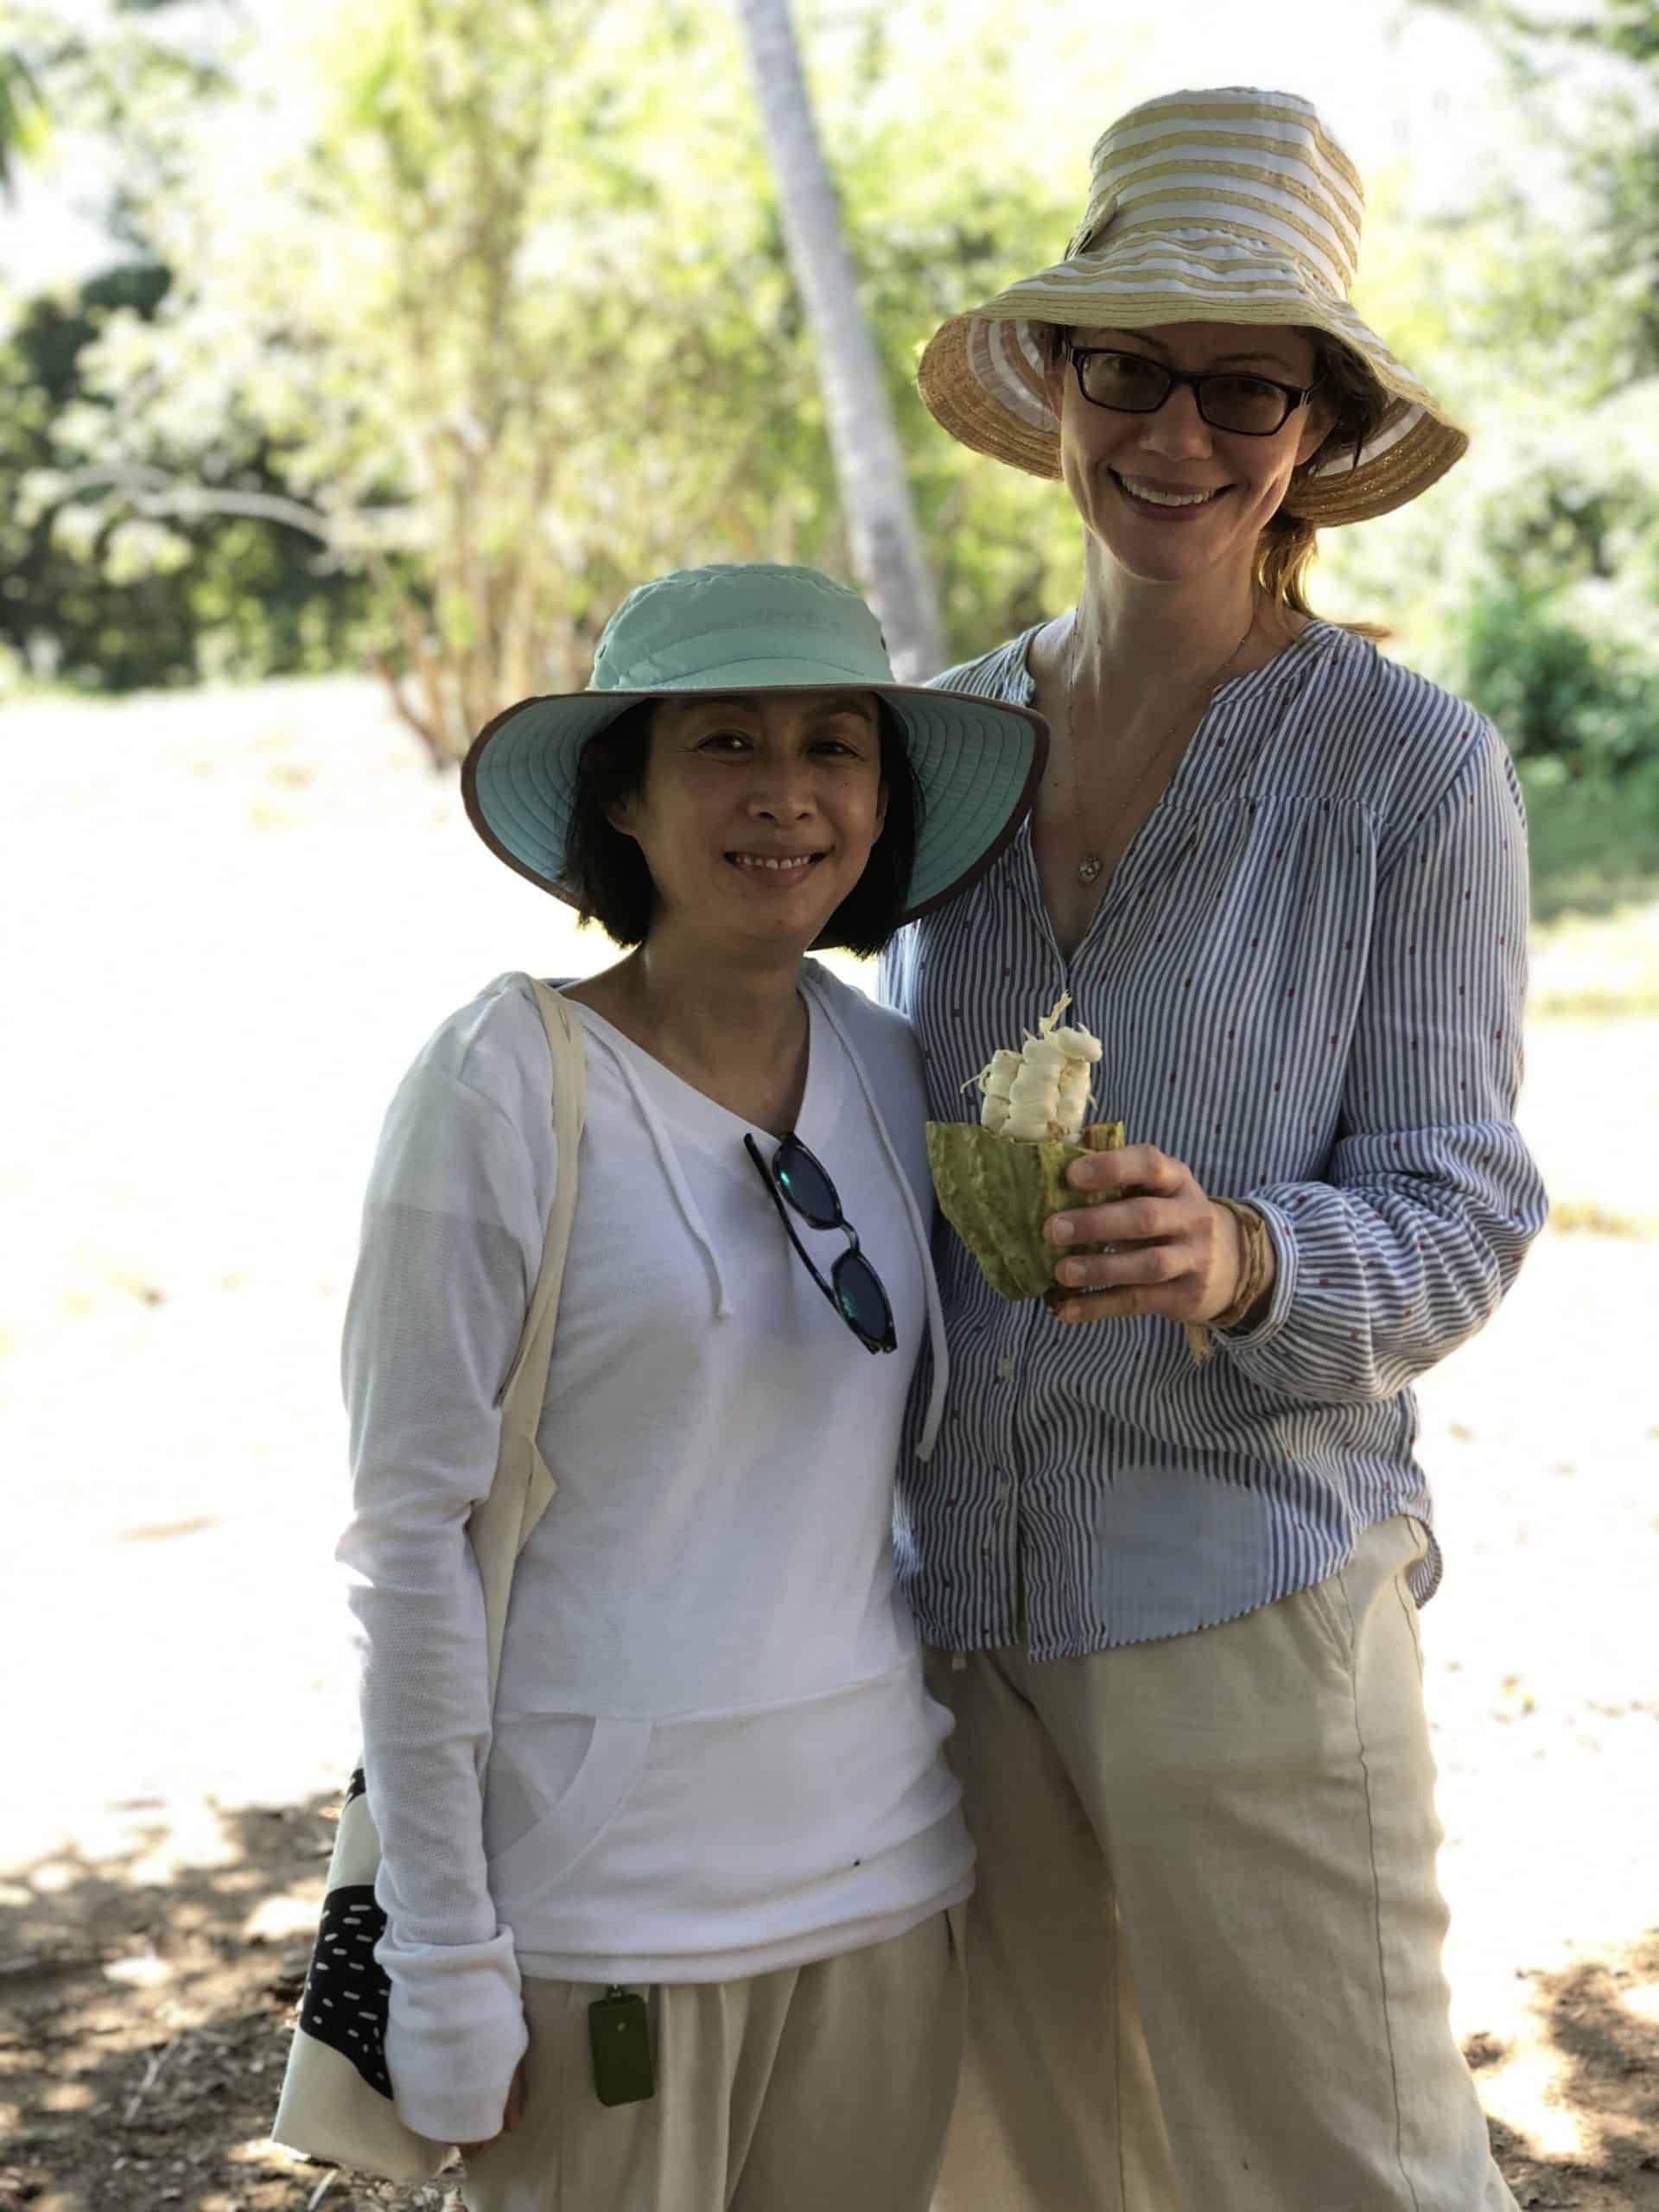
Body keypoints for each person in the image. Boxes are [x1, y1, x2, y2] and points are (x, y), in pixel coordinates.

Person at [880, 86, 1548, 2211]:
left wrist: (1244, 1254)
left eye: (1245, 382)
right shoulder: (946, 753)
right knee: (1061, 2173)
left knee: (1353, 2170)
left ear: (1319, 423)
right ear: (1060, 385)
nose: (1177, 434)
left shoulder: (1407, 766)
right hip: (962, 1603)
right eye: (1127, 370)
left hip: (1250, 1591)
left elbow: (1465, 1200)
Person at [334, 562, 1045, 2212]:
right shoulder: (504, 1083)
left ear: (884, 798)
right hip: (609, 1920)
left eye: (835, 746)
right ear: (627, 802)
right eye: (723, 742)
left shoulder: (893, 1070)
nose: (786, 794)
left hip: (886, 1878)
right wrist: (445, 1951)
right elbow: (407, 1542)